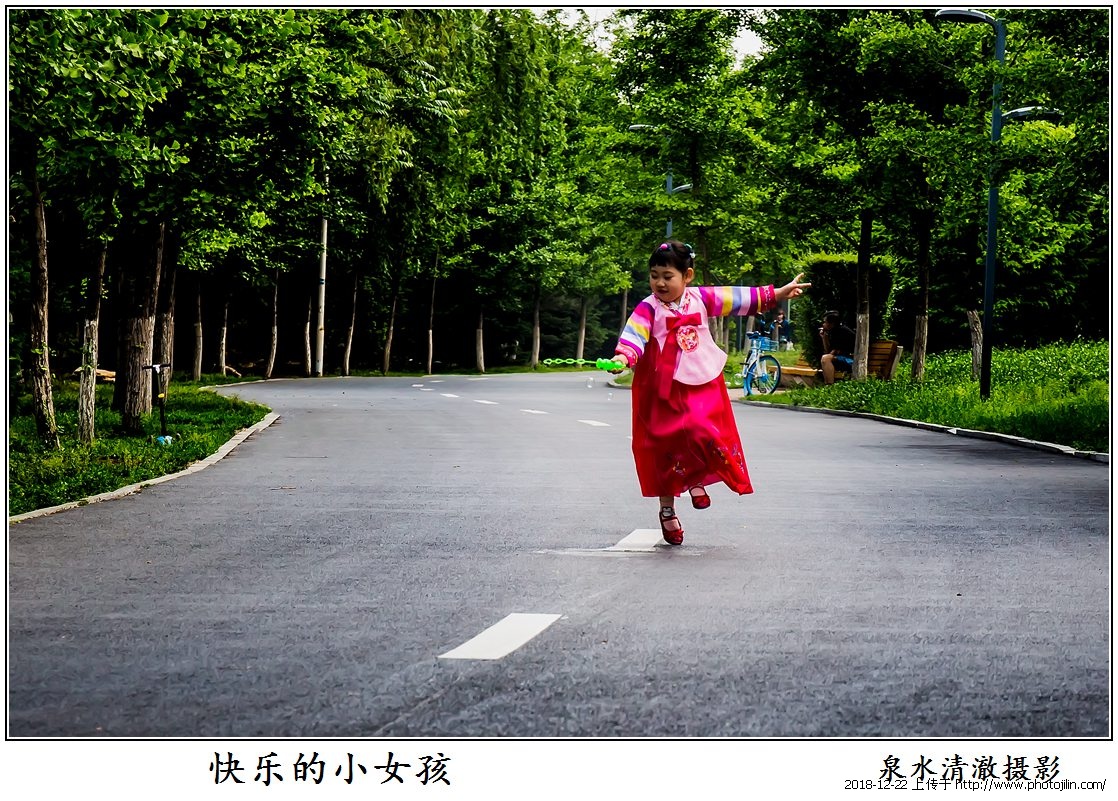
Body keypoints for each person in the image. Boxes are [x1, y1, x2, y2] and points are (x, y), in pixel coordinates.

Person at [608, 241, 810, 545]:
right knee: (663, 447)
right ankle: (667, 510)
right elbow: (633, 336)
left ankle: (696, 480)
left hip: (700, 382)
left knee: (702, 430)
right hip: (662, 388)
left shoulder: (700, 298)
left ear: (687, 276)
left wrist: (777, 294)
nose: (660, 283)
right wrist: (623, 357)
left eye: (667, 276)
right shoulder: (648, 307)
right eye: (654, 276)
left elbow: (738, 298)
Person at [819, 311, 855, 385]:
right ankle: (827, 384)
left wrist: (828, 356)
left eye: (825, 322)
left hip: (851, 359)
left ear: (831, 323)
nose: (823, 324)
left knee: (825, 359)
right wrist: (824, 337)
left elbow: (833, 352)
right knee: (825, 358)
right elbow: (828, 351)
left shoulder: (842, 331)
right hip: (843, 358)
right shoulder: (833, 331)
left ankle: (830, 385)